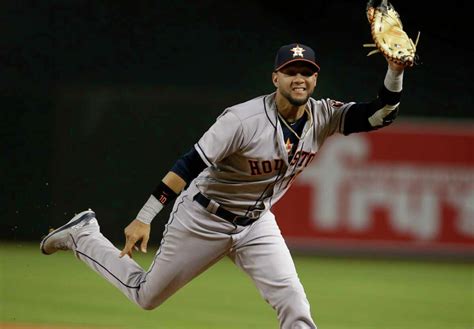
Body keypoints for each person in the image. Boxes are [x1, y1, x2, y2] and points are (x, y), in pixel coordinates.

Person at [40, 42, 408, 329]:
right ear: (275, 78)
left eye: (307, 72)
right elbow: (187, 164)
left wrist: (394, 71)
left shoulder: (326, 115)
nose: (300, 78)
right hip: (203, 217)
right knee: (146, 296)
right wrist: (144, 216)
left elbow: (380, 115)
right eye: (290, 71)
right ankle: (83, 235)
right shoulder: (241, 120)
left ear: (316, 79)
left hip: (257, 223)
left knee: (294, 303)